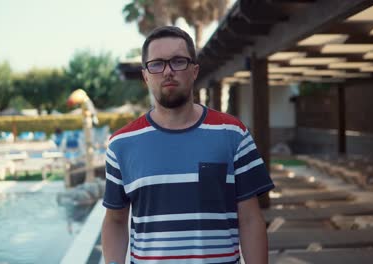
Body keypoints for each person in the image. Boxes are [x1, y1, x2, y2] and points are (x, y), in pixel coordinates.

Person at [102, 26, 274, 264]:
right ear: (145, 75)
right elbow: (115, 220)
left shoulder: (233, 134)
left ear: (194, 71)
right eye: (157, 64)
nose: (168, 71)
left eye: (178, 61)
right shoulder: (121, 144)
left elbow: (250, 219)